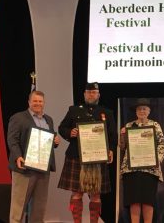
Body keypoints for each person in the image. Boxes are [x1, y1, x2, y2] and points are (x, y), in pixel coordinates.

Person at [58, 82, 117, 223]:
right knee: (77, 193)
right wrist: (69, 132)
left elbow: (112, 135)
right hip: (76, 157)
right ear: (84, 94)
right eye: (88, 92)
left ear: (98, 95)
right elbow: (62, 128)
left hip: (97, 157)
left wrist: (111, 150)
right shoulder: (74, 110)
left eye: (94, 92)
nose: (91, 94)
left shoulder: (107, 113)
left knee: (96, 194)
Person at [7, 90, 60, 222]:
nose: (38, 103)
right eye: (35, 101)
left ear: (44, 103)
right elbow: (12, 140)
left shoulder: (49, 119)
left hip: (43, 169)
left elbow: (49, 139)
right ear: (29, 102)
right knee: (18, 207)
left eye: (40, 101)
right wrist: (18, 156)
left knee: (39, 208)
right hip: (24, 168)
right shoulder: (18, 117)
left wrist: (55, 141)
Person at [120, 98, 164, 223]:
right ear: (136, 111)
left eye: (144, 109)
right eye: (139, 109)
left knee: (147, 201)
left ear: (149, 111)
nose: (142, 111)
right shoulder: (129, 126)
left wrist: (156, 161)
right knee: (133, 201)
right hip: (131, 169)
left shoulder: (155, 126)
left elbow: (161, 145)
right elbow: (122, 147)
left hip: (150, 169)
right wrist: (122, 135)